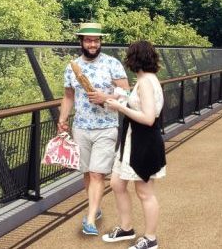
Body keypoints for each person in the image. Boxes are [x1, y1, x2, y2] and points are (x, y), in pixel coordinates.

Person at [57, 22, 130, 236]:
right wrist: (62, 120)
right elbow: (68, 96)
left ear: (100, 42)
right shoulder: (72, 67)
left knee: (98, 173)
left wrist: (105, 97)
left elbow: (126, 92)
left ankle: (89, 220)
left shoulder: (112, 64)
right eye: (88, 40)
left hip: (106, 127)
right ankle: (95, 208)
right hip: (80, 127)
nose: (92, 44)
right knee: (87, 173)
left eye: (96, 40)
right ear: (81, 42)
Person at [102, 41, 166, 249]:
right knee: (117, 184)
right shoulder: (146, 80)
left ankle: (150, 238)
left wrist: (120, 108)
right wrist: (120, 104)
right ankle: (126, 227)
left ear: (133, 59)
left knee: (145, 192)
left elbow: (148, 118)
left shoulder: (146, 82)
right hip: (133, 140)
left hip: (144, 142)